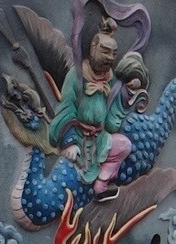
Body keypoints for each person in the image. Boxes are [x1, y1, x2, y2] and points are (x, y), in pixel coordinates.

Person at [49, 17, 140, 202]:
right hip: (78, 137)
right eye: (105, 51)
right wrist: (69, 141)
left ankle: (101, 185)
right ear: (93, 48)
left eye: (114, 54)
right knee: (68, 176)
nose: (110, 58)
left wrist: (127, 92)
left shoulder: (111, 78)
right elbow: (66, 107)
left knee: (124, 145)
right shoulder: (77, 75)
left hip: (99, 139)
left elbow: (113, 115)